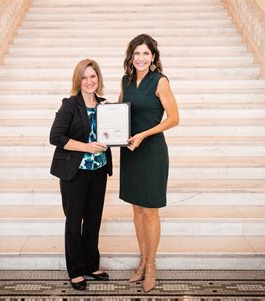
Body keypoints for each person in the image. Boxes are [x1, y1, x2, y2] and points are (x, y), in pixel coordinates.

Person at [118, 34, 179, 293]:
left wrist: (144, 134)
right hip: (131, 150)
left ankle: (152, 265)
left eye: (145, 53)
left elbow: (174, 118)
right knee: (137, 210)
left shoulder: (160, 81)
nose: (141, 58)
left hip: (152, 150)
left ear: (153, 56)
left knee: (151, 211)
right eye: (136, 53)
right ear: (131, 57)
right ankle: (142, 260)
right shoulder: (126, 80)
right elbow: (120, 111)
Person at [50, 59, 113, 291]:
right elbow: (55, 137)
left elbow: (110, 135)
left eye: (93, 76)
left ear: (99, 79)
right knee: (74, 221)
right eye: (84, 77)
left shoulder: (105, 106)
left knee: (94, 220)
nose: (89, 81)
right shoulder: (69, 105)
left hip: (98, 170)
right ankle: (76, 270)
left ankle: (91, 265)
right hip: (75, 173)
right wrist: (86, 147)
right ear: (78, 80)